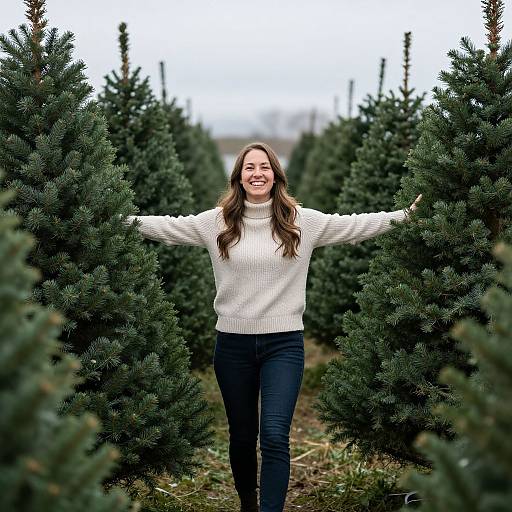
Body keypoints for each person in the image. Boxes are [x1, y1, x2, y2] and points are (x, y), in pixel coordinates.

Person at [122, 141, 422, 512]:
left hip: (284, 345)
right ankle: (249, 503)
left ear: (276, 175)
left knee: (276, 436)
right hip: (232, 345)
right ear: (239, 177)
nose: (257, 173)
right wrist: (118, 218)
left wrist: (405, 215)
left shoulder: (302, 221)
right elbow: (166, 227)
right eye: (249, 167)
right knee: (243, 437)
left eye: (264, 167)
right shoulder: (215, 222)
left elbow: (355, 225)